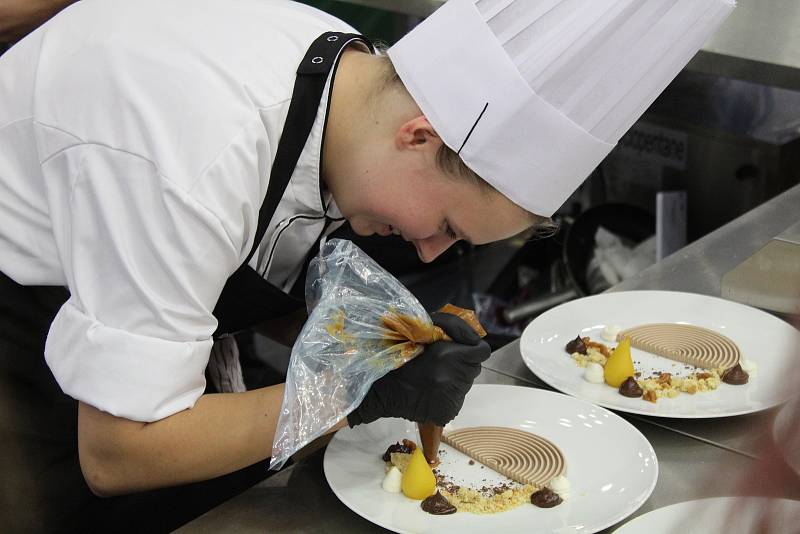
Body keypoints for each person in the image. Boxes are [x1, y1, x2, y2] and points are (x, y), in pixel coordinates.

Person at [0, 0, 734, 531]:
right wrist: (353, 392)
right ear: (421, 136)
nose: (427, 251)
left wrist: (386, 338)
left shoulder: (348, 87)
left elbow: (255, 253)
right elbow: (122, 452)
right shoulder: (189, 158)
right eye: (445, 226)